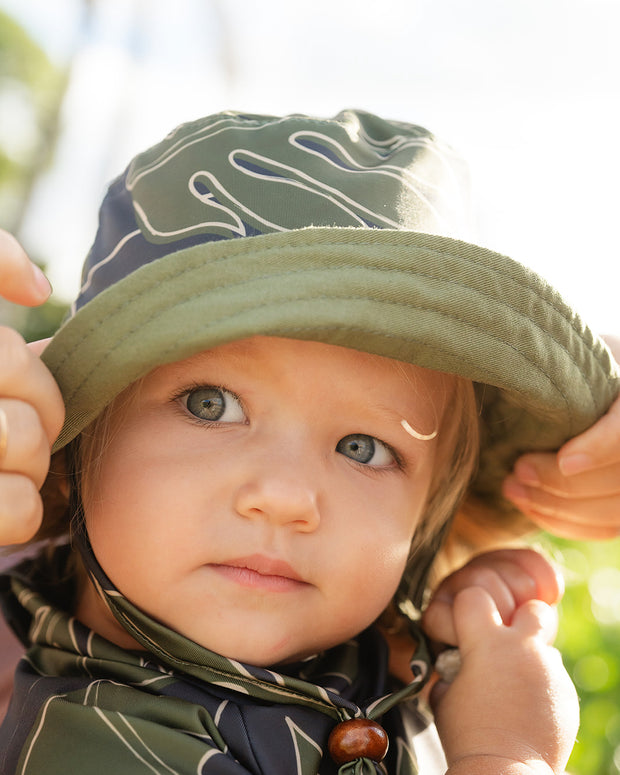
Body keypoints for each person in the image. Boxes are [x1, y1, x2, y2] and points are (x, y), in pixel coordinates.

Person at [0, 109, 618, 775]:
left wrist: (456, 629)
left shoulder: (372, 658)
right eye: (211, 405)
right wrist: (507, 752)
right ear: (80, 442)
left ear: (428, 517)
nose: (288, 496)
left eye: (363, 448)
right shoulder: (94, 741)